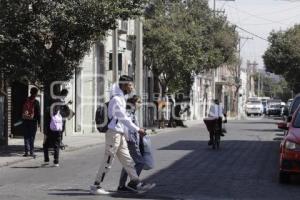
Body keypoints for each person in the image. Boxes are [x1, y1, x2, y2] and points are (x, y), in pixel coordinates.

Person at [90, 75, 154, 195]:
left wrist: (125, 134)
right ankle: (96, 185)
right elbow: (123, 118)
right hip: (113, 134)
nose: (132, 87)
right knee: (108, 160)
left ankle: (136, 183)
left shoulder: (121, 98)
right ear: (124, 85)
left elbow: (121, 121)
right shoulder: (117, 99)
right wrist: (137, 129)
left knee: (127, 160)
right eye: (130, 85)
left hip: (119, 134)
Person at [117, 95, 146, 192]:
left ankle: (121, 186)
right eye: (139, 102)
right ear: (134, 103)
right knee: (140, 162)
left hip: (130, 140)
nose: (140, 104)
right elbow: (126, 126)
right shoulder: (130, 112)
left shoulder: (131, 111)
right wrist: (130, 139)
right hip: (131, 141)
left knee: (127, 163)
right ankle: (133, 182)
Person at [22, 87, 40, 158]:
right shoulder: (36, 102)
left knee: (26, 136)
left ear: (30, 92)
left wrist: (22, 118)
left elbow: (21, 110)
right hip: (33, 121)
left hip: (25, 120)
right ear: (36, 94)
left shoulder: (24, 100)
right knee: (32, 137)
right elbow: (38, 113)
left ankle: (26, 152)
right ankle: (31, 152)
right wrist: (39, 122)